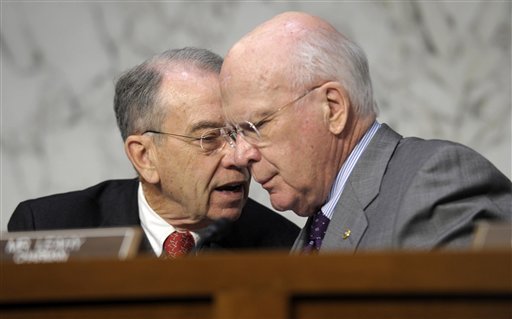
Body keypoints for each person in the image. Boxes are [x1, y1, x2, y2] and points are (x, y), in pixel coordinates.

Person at [219, 12, 512, 252]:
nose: (241, 155)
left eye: (257, 126)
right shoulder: (313, 230)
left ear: (333, 108)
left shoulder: (437, 183)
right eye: (235, 133)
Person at [8, 47, 299, 257]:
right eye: (209, 138)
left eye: (239, 133)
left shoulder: (283, 248)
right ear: (144, 157)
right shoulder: (47, 228)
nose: (239, 156)